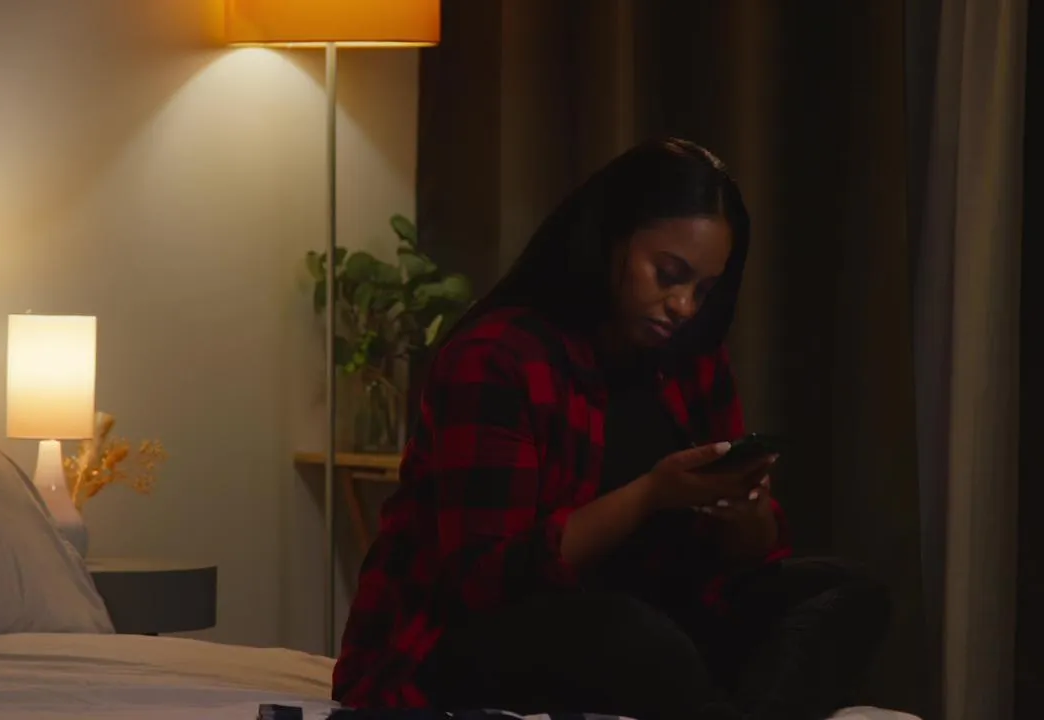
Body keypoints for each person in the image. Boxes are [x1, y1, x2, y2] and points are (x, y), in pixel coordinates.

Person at [331, 139, 891, 720]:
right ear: (610, 238)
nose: (684, 306)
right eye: (668, 275)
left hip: (655, 618)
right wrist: (650, 494)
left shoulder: (694, 361)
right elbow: (484, 582)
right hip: (490, 632)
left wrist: (746, 508)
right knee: (626, 630)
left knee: (847, 591)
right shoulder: (499, 356)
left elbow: (748, 561)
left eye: (703, 290)